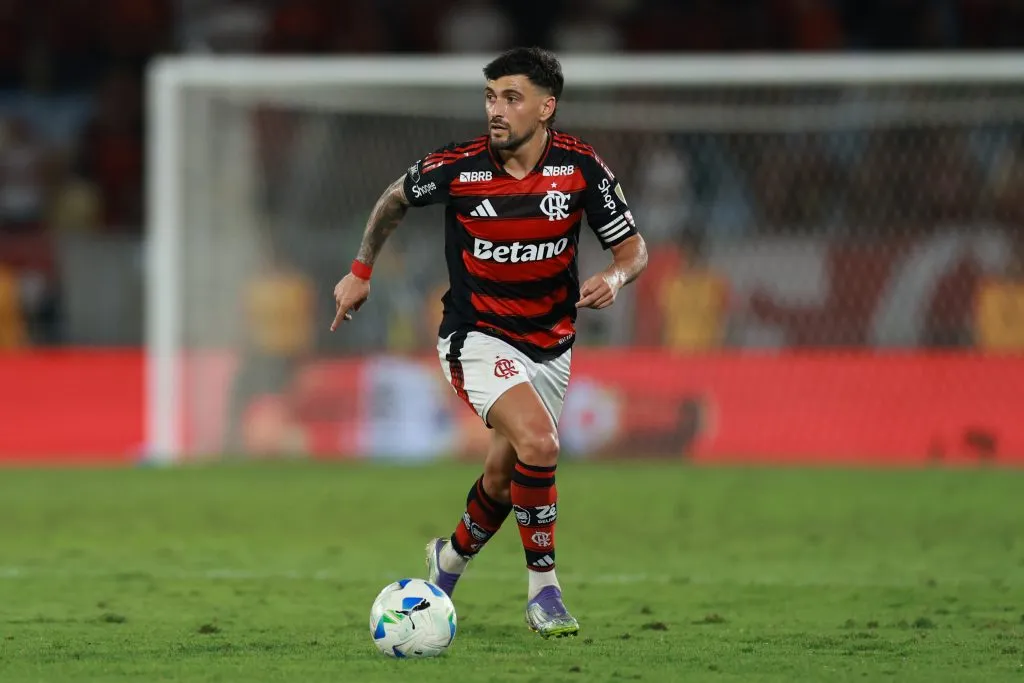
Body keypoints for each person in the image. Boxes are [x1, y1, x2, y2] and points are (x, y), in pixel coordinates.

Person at [330, 47, 648, 639]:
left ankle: (446, 563)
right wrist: (360, 270)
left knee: (506, 479)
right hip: (475, 337)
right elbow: (394, 198)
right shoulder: (460, 166)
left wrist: (615, 276)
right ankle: (544, 593)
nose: (496, 110)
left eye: (511, 97)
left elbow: (633, 250)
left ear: (546, 107)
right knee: (541, 440)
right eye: (490, 97)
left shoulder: (581, 168)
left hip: (552, 347)